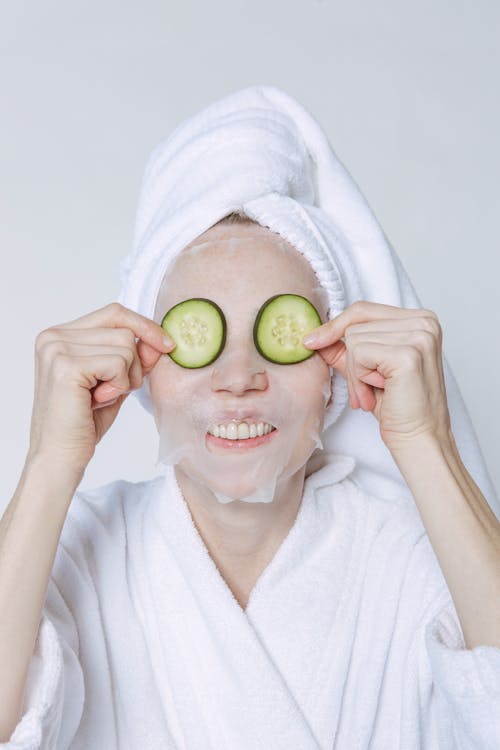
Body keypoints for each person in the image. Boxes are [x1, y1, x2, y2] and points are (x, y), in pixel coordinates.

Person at [1, 86, 499, 749]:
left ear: (336, 371)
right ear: (145, 365)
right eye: (199, 334)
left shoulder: (408, 553)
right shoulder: (78, 546)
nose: (238, 377)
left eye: (282, 334)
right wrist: (47, 463)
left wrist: (427, 442)